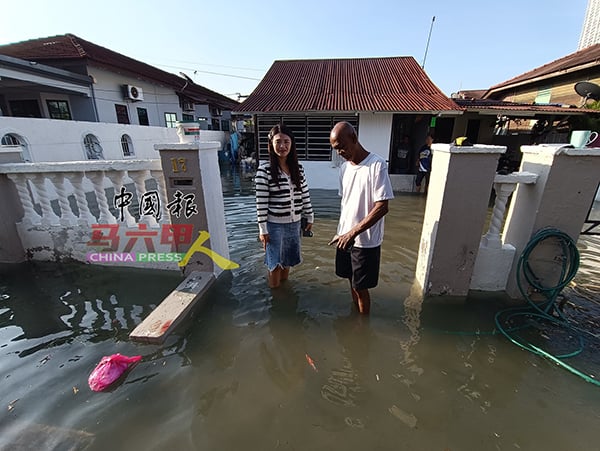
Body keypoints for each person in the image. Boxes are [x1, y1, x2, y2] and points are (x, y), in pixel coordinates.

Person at [328, 122, 394, 315]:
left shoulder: (376, 165)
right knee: (350, 280)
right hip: (345, 237)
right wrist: (341, 232)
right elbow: (348, 204)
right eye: (335, 149)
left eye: (342, 147)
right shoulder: (344, 169)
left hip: (365, 241)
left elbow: (382, 207)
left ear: (354, 139)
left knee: (361, 287)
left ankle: (362, 326)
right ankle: (355, 316)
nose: (340, 152)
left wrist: (352, 233)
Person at [255, 124, 314, 288]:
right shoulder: (264, 170)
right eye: (278, 142)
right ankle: (276, 297)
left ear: (292, 144)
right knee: (274, 264)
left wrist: (309, 216)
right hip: (274, 226)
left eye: (286, 142)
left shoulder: (298, 168)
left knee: (287, 261)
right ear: (271, 144)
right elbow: (261, 202)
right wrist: (263, 230)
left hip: (294, 224)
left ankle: (285, 291)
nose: (282, 146)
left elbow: (305, 195)